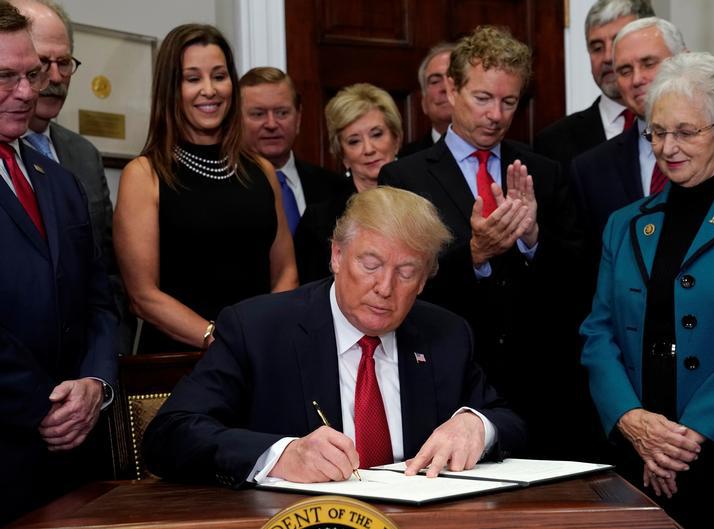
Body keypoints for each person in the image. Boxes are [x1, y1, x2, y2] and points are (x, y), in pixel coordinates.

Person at [142, 186, 527, 486]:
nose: (385, 287)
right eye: (370, 264)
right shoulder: (258, 329)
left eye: (407, 272)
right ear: (337, 256)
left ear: (426, 278)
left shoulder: (445, 335)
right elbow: (168, 436)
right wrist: (279, 455)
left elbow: (509, 421)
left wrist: (476, 423)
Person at [580, 51, 714, 528]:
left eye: (685, 132)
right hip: (641, 451)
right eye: (657, 132)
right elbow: (598, 334)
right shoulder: (626, 223)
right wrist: (630, 418)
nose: (667, 147)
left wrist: (690, 434)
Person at [380, 26, 584, 459]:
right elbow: (399, 283)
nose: (496, 115)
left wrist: (532, 240)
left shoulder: (541, 172)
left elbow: (579, 279)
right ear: (452, 89)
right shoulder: (405, 177)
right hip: (445, 379)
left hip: (539, 388)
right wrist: (474, 254)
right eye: (483, 98)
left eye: (508, 102)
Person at [0, 3, 117, 523]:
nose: (28, 92)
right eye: (5, 77)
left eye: (31, 75)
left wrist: (95, 384)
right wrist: (44, 407)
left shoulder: (60, 181)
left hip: (75, 460)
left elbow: (99, 297)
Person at [114, 24, 297, 353]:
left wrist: (265, 336)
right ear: (171, 87)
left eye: (219, 75)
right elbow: (143, 296)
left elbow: (285, 271)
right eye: (193, 78)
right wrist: (221, 339)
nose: (210, 90)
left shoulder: (262, 171)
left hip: (261, 355)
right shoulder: (143, 175)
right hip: (178, 366)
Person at [570, 17, 714, 265]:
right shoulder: (589, 168)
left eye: (649, 63)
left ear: (683, 58)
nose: (637, 79)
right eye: (624, 70)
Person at [11, 0, 134, 354]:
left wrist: (108, 366)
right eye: (41, 64)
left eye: (64, 63)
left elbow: (109, 276)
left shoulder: (83, 155)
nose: (54, 78)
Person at [294, 83, 402, 283]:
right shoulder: (319, 219)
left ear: (396, 139)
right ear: (342, 155)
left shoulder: (426, 197)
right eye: (354, 141)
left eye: (377, 134)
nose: (368, 149)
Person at [533, 0, 654, 172]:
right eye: (597, 47)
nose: (606, 57)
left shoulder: (685, 125)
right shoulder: (554, 142)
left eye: (618, 43)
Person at [240, 67, 349, 234]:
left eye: (282, 113)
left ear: (298, 118)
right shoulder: (227, 187)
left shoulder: (334, 187)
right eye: (258, 114)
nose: (271, 124)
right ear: (237, 121)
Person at [399, 42, 455, 157]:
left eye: (454, 77)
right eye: (435, 81)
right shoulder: (406, 159)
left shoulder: (498, 152)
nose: (445, 87)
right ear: (423, 102)